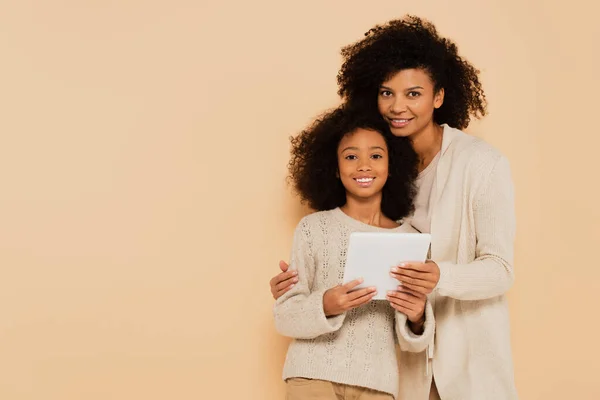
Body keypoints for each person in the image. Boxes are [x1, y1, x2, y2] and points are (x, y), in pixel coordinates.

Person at [271, 15, 517, 400]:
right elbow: (339, 247)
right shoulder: (382, 170)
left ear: (439, 97)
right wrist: (302, 291)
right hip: (398, 374)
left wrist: (438, 276)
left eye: (413, 94)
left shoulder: (481, 165)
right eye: (387, 93)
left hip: (467, 362)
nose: (397, 106)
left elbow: (500, 270)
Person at [274, 105, 435, 400]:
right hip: (311, 375)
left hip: (378, 383)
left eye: (376, 155)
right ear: (335, 168)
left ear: (392, 165)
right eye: (351, 156)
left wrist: (417, 318)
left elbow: (414, 345)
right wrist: (326, 304)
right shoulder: (313, 228)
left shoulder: (410, 239)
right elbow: (284, 316)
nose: (364, 165)